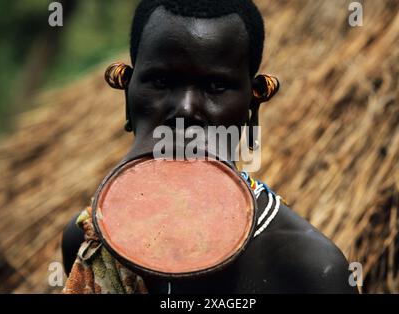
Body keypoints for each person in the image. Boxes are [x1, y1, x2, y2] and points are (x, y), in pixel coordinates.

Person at [62, 0, 358, 294]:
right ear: (128, 94)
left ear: (252, 105)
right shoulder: (89, 243)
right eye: (161, 81)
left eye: (216, 86)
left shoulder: (307, 271)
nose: (186, 110)